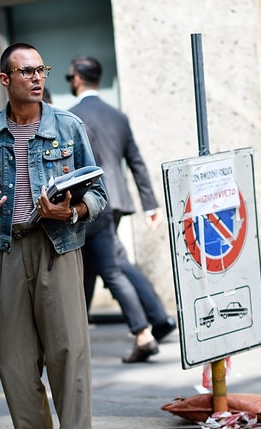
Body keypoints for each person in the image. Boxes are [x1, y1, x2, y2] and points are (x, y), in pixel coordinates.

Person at [0, 43, 107, 429]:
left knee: (67, 360)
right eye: (24, 71)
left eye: (41, 69)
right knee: (13, 363)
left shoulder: (69, 126)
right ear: (4, 79)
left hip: (58, 248)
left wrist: (72, 211)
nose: (36, 77)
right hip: (10, 249)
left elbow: (99, 193)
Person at [67, 55, 176, 363]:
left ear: (76, 79)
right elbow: (136, 161)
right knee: (101, 262)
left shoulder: (72, 117)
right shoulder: (118, 115)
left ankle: (143, 331)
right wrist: (150, 204)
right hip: (117, 200)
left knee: (110, 267)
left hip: (91, 201)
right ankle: (155, 318)